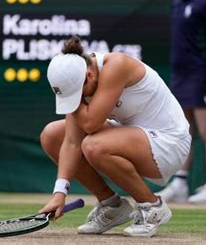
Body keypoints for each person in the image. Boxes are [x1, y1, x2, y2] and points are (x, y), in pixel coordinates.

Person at [39, 36, 191, 237]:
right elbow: (72, 141)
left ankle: (153, 207)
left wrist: (72, 100)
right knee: (52, 135)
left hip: (170, 143)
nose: (74, 100)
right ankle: (112, 206)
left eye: (76, 92)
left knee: (94, 145)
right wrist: (59, 193)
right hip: (133, 138)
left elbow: (91, 124)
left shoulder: (116, 65)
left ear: (90, 74)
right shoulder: (79, 79)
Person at [157, 0, 206, 204]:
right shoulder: (177, 2)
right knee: (183, 132)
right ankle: (179, 184)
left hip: (201, 74)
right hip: (180, 76)